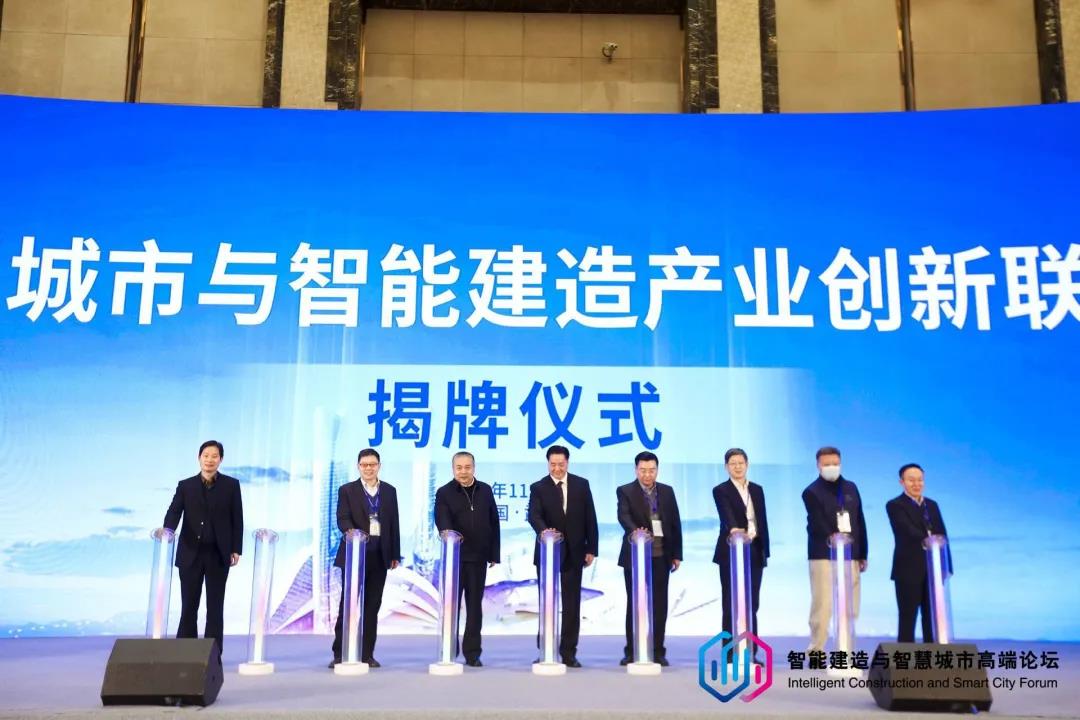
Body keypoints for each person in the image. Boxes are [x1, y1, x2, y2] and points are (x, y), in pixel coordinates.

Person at [163, 440, 243, 660]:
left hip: (219, 554)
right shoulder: (186, 485)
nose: (210, 460)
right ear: (199, 458)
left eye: (214, 456)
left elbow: (237, 518)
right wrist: (167, 531)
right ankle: (185, 654)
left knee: (215, 607)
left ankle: (213, 655)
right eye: (206, 455)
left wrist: (236, 548)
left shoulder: (231, 485)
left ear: (221, 459)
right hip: (190, 553)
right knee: (189, 605)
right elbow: (174, 512)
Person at [527, 444, 599, 667]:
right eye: (553, 464)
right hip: (547, 552)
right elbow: (534, 515)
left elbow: (590, 518)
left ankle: (569, 653)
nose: (557, 468)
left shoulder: (581, 485)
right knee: (546, 602)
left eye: (561, 464)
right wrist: (544, 531)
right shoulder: (538, 487)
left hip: (575, 552)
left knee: (571, 604)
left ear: (567, 462)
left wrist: (591, 548)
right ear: (548, 463)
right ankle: (545, 650)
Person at [330, 448, 401, 668]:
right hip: (354, 556)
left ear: (379, 466)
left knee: (372, 607)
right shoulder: (347, 490)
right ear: (358, 466)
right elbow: (342, 518)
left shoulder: (389, 491)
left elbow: (394, 524)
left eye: (372, 464)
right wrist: (352, 533)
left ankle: (367, 654)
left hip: (379, 557)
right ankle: (340, 653)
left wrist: (394, 554)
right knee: (348, 606)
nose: (368, 468)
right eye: (364, 465)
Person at [434, 451, 501, 667]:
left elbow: (494, 522)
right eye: (459, 467)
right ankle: (448, 650)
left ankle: (472, 653)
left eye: (467, 467)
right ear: (453, 469)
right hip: (454, 560)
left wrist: (494, 553)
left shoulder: (485, 490)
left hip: (478, 557)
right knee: (451, 606)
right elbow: (442, 520)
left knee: (474, 607)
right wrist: (448, 534)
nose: (463, 472)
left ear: (474, 467)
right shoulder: (444, 492)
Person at [616, 451, 682, 666]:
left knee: (659, 605)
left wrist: (677, 554)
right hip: (635, 557)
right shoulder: (625, 491)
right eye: (643, 470)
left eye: (651, 470)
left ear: (657, 470)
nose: (647, 474)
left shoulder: (667, 491)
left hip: (661, 556)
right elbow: (623, 516)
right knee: (635, 604)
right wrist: (636, 532)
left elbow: (675, 522)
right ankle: (632, 651)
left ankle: (658, 651)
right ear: (636, 470)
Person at [802, 446, 868, 652]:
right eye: (827, 464)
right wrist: (833, 537)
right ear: (818, 465)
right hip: (823, 555)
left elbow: (859, 520)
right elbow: (816, 522)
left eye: (835, 463)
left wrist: (863, 553)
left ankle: (845, 653)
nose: (831, 467)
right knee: (823, 606)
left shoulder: (851, 488)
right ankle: (816, 651)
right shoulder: (811, 491)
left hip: (850, 555)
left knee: (850, 607)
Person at [886, 463, 951, 643]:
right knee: (908, 617)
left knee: (932, 617)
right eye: (911, 480)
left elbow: (943, 535)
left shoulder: (932, 505)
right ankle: (904, 656)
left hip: (933, 569)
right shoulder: (894, 505)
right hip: (908, 568)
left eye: (920, 480)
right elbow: (905, 529)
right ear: (902, 482)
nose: (916, 484)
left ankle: (933, 654)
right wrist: (928, 539)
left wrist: (946, 567)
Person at [712, 448, 769, 643]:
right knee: (731, 601)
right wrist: (734, 529)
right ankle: (730, 650)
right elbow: (726, 513)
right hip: (732, 550)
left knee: (752, 602)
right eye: (733, 463)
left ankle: (751, 649)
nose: (737, 467)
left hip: (755, 550)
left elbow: (762, 520)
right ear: (726, 467)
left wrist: (765, 550)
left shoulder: (757, 490)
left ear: (747, 464)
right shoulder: (721, 490)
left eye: (741, 463)